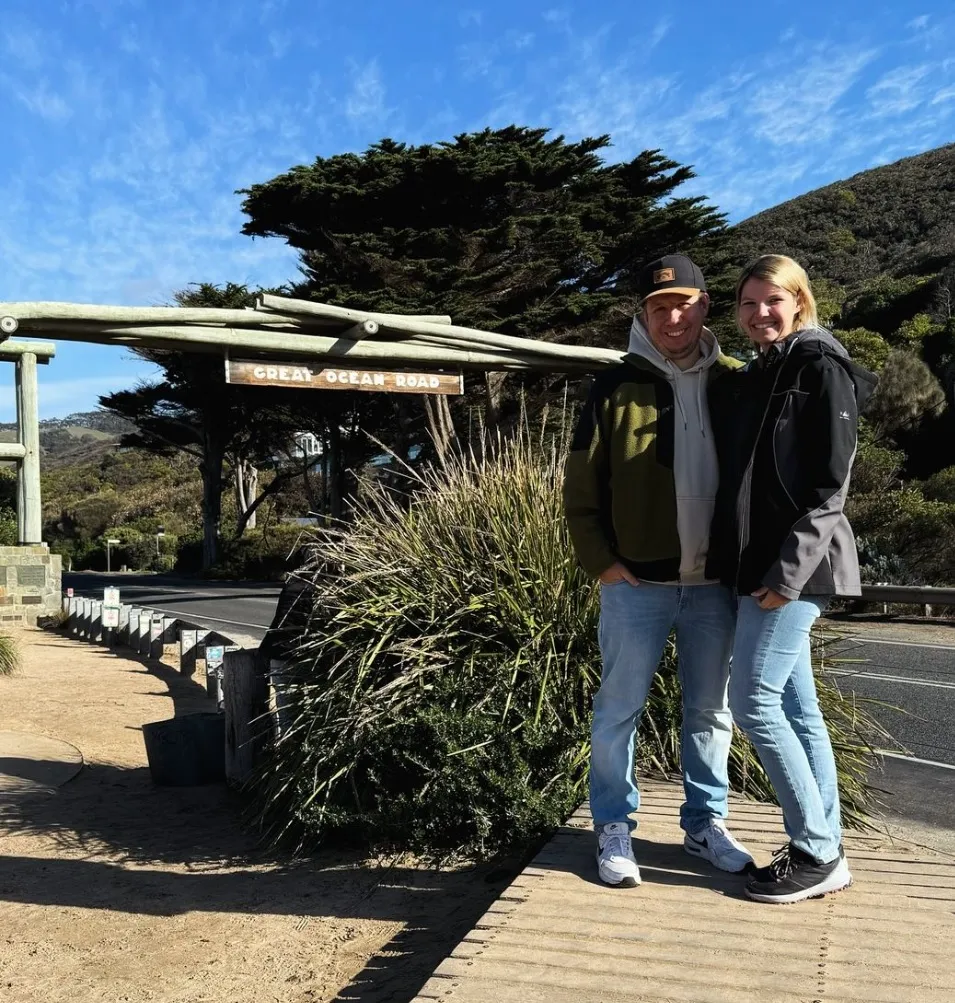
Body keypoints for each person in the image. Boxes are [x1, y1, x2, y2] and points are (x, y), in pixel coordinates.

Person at [563, 253, 754, 888]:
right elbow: (579, 487)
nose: (672, 317)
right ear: (643, 314)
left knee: (709, 712)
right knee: (618, 708)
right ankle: (613, 827)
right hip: (637, 583)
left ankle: (705, 825)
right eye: (658, 307)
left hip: (715, 586)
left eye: (684, 304)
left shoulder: (735, 382)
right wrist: (602, 563)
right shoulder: (614, 386)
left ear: (705, 306)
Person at [707, 254, 878, 905]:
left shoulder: (817, 368)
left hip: (797, 571)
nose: (758, 314)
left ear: (799, 301)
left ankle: (813, 850)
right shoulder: (766, 372)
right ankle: (824, 840)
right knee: (798, 709)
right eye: (747, 304)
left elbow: (829, 488)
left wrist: (783, 574)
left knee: (753, 700)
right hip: (763, 569)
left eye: (770, 301)